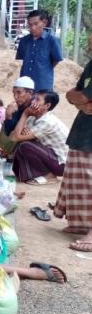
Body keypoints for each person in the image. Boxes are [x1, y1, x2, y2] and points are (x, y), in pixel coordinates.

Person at [55, 35, 92, 252]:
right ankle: (83, 224)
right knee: (78, 180)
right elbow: (71, 94)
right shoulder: (90, 65)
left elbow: (82, 96)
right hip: (82, 132)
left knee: (90, 182)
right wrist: (82, 100)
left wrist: (82, 99)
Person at [10, 90, 68, 184]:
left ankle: (49, 176)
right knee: (22, 144)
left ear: (47, 106)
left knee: (25, 145)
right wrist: (22, 132)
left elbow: (15, 137)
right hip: (50, 156)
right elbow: (13, 136)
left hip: (62, 165)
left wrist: (25, 114)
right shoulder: (34, 116)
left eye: (37, 100)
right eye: (34, 98)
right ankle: (32, 174)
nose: (33, 102)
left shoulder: (47, 121)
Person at [15, 9, 62, 91]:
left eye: (36, 24)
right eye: (30, 25)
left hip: (43, 84)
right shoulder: (23, 41)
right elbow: (23, 59)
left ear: (44, 23)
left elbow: (56, 60)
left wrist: (43, 69)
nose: (32, 28)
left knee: (41, 103)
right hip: (25, 84)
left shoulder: (52, 41)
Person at [0, 76, 36, 156]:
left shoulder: (36, 108)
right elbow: (9, 133)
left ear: (30, 93)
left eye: (19, 92)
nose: (15, 97)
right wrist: (8, 115)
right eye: (14, 93)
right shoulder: (16, 107)